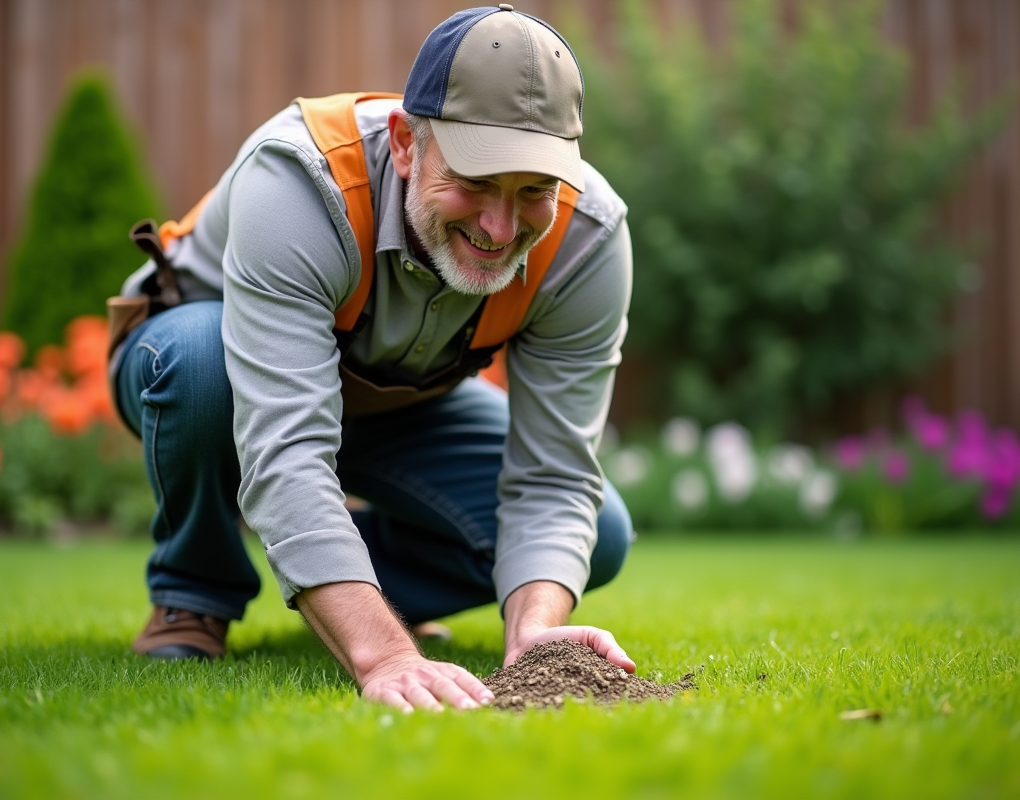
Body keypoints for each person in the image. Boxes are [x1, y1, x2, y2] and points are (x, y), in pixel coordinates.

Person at [110, 5, 635, 713]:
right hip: (216, 380)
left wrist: (534, 629)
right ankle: (194, 592)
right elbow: (285, 442)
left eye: (533, 191)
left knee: (598, 535)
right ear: (407, 143)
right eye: (477, 182)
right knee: (201, 362)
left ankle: (363, 587)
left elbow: (556, 475)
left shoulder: (588, 237)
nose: (501, 227)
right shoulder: (302, 179)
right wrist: (383, 655)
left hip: (399, 400)